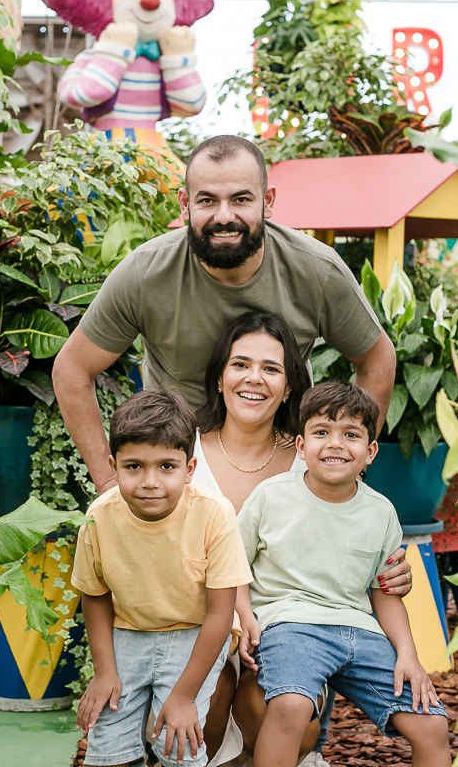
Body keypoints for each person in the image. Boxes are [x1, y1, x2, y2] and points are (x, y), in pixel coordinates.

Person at [52, 134, 398, 498]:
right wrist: (108, 483)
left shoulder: (316, 270)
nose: (224, 216)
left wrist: (349, 472)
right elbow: (73, 369)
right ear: (185, 204)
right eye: (207, 200)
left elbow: (375, 358)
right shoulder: (145, 273)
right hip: (177, 465)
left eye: (241, 199)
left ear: (267, 202)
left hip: (285, 463)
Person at [191, 312, 413, 767]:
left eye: (271, 369)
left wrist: (389, 578)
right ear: (219, 376)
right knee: (212, 687)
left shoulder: (315, 461)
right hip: (192, 622)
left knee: (284, 710)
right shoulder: (179, 453)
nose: (255, 378)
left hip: (278, 629)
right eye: (240, 364)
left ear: (290, 386)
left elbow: (355, 554)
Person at [236, 383, 451, 767]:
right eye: (321, 433)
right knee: (291, 704)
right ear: (301, 447)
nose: (335, 444)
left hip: (360, 631)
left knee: (432, 725)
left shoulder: (381, 512)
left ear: (370, 452)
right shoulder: (270, 497)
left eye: (350, 435)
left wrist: (408, 655)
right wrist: (245, 617)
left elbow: (385, 593)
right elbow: (233, 567)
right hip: (290, 625)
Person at [72, 389, 253, 767]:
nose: (150, 481)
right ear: (113, 465)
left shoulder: (214, 514)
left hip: (196, 632)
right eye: (134, 466)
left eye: (166, 466)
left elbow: (221, 615)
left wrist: (184, 697)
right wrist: (105, 672)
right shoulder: (99, 516)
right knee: (108, 748)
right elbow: (95, 594)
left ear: (189, 469)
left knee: (178, 743)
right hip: (129, 633)